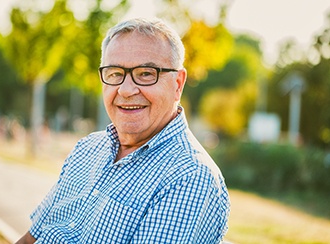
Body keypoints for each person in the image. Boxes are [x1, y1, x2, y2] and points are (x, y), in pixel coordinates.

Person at [16, 17, 230, 244]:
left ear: (178, 83)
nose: (126, 90)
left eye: (146, 73)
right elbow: (33, 237)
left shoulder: (189, 176)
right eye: (115, 73)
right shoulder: (87, 148)